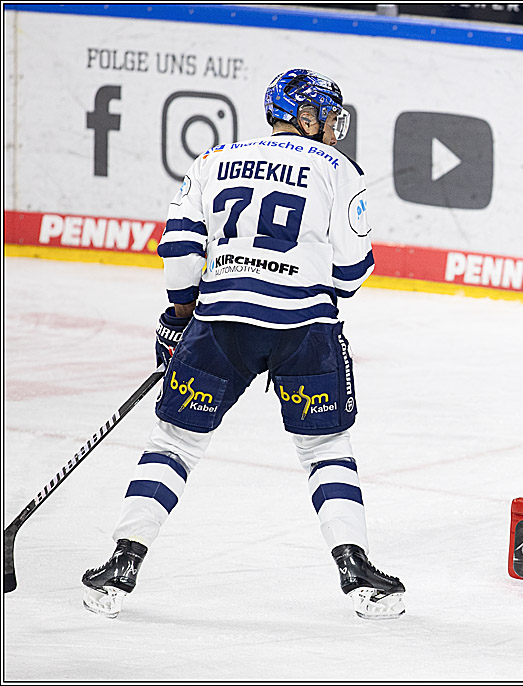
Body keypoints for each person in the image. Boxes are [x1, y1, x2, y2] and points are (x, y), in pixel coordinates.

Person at [81, 69, 405, 620]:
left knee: (174, 445)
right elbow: (350, 275)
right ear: (305, 116)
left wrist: (181, 315)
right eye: (327, 116)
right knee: (324, 449)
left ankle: (120, 566)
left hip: (220, 326)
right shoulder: (339, 170)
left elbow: (180, 247)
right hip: (305, 330)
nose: (333, 128)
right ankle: (357, 574)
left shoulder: (213, 159)